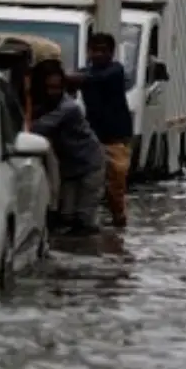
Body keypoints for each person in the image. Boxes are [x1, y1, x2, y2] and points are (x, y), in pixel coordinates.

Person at [69, 33, 133, 228]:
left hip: (116, 138)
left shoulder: (115, 70)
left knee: (116, 184)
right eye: (94, 50)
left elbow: (91, 79)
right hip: (93, 137)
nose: (98, 55)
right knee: (90, 182)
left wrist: (68, 78)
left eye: (103, 51)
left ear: (112, 53)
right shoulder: (85, 74)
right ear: (88, 51)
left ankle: (119, 219)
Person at [33, 67, 106, 235]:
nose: (53, 92)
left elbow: (40, 127)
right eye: (49, 88)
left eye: (57, 88)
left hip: (90, 163)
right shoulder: (47, 106)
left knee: (85, 217)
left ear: (64, 88)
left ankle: (89, 252)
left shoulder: (69, 107)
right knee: (67, 215)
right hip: (70, 166)